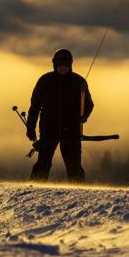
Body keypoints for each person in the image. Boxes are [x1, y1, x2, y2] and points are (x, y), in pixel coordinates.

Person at [26, 48, 94, 183]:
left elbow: (89, 104)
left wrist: (84, 116)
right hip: (48, 128)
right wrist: (30, 128)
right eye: (60, 65)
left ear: (70, 65)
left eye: (65, 65)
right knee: (43, 162)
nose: (63, 68)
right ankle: (34, 190)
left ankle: (78, 192)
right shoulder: (45, 81)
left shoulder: (79, 82)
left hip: (72, 129)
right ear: (54, 64)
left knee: (74, 164)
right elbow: (34, 107)